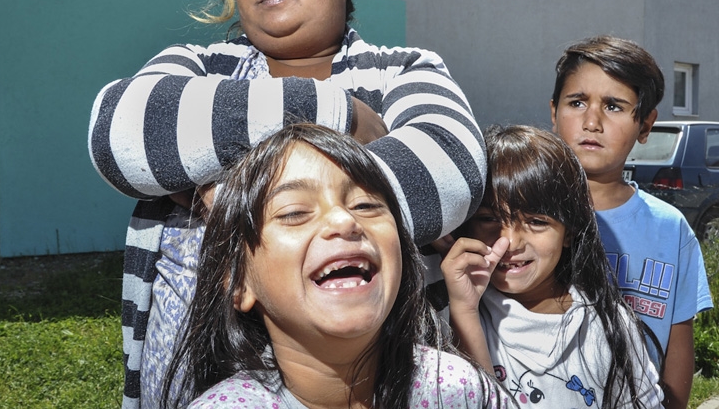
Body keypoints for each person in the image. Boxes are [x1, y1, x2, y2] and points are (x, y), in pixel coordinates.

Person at [87, 0, 486, 408]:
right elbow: (120, 134)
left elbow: (448, 174)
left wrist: (226, 192)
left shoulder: (404, 71)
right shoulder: (201, 66)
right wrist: (334, 111)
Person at [160, 123, 509, 408]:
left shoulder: (457, 388)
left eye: (366, 205)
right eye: (295, 212)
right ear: (238, 285)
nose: (345, 220)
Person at [441, 125, 663, 408]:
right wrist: (464, 310)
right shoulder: (447, 316)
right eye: (489, 218)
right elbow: (466, 401)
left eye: (536, 221)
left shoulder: (607, 326)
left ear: (569, 232)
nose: (509, 241)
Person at [549, 37, 711, 409]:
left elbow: (677, 340)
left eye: (614, 106)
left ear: (645, 124)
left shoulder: (671, 231)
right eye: (577, 102)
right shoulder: (522, 217)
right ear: (554, 111)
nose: (592, 121)